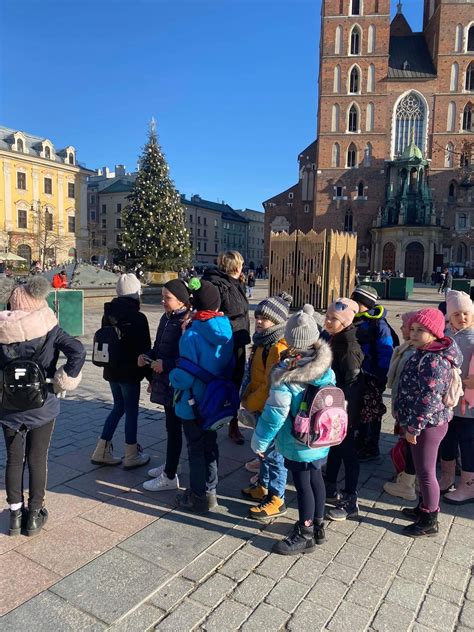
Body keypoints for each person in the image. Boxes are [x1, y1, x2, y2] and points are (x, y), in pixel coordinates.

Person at [0, 276, 85, 536]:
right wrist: (62, 378)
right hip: (43, 405)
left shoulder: (2, 328)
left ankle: (15, 515)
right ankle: (35, 515)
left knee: (14, 461)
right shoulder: (50, 328)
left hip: (9, 408)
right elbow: (78, 351)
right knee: (38, 459)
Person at [251, 304, 336, 555]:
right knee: (316, 479)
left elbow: (275, 415)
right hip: (322, 437)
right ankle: (319, 526)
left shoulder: (286, 373)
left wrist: (260, 443)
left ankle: (305, 532)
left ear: (288, 338)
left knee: (302, 485)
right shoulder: (325, 366)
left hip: (298, 440)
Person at [394, 308, 462, 537]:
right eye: (412, 329)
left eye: (420, 330)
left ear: (433, 333)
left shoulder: (434, 361)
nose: (413, 334)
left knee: (425, 471)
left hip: (428, 425)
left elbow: (429, 400)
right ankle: (422, 507)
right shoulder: (422, 352)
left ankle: (430, 518)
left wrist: (414, 427)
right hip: (420, 422)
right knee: (422, 467)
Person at [170, 278, 234, 514]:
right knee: (211, 446)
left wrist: (171, 377)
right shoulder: (226, 330)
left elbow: (185, 376)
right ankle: (211, 491)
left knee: (195, 449)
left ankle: (196, 497)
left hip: (194, 403)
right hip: (216, 400)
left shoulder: (191, 335)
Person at [91, 273, 151, 469]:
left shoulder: (107, 315)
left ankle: (101, 449)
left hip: (111, 371)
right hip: (130, 373)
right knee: (131, 411)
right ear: (136, 293)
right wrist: (152, 377)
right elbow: (145, 348)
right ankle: (131, 454)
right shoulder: (138, 317)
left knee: (118, 407)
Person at [240, 293, 291, 520]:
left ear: (278, 322)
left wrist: (250, 401)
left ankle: (277, 498)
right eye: (258, 316)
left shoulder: (277, 347)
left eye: (265, 318)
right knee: (263, 452)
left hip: (269, 408)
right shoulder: (263, 342)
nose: (259, 321)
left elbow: (271, 385)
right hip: (260, 405)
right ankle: (263, 485)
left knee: (274, 455)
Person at [139, 279, 191, 492]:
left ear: (181, 301)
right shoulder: (167, 318)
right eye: (162, 296)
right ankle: (171, 464)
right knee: (171, 427)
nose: (163, 301)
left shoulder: (186, 322)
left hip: (177, 383)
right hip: (166, 381)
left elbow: (187, 357)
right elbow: (158, 347)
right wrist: (148, 357)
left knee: (175, 427)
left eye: (167, 298)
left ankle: (170, 475)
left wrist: (166, 364)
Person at [322, 298, 364, 522]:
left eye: (334, 319)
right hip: (333, 406)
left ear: (346, 322)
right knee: (334, 448)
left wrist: (344, 413)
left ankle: (350, 499)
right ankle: (330, 484)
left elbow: (352, 385)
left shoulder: (349, 347)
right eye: (327, 317)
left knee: (348, 452)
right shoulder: (334, 338)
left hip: (344, 410)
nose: (328, 321)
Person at [203, 251, 250, 445]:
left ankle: (232, 423)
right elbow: (215, 314)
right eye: (241, 265)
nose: (242, 269)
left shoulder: (236, 284)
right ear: (235, 266)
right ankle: (217, 419)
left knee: (236, 383)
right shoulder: (218, 285)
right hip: (226, 342)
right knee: (223, 382)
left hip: (238, 340)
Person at [351, 285, 394, 461]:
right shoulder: (353, 318)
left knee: (371, 412)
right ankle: (359, 441)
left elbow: (386, 352)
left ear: (365, 304)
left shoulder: (378, 324)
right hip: (356, 375)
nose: (352, 304)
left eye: (356, 301)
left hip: (372, 376)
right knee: (358, 410)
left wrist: (380, 377)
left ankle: (371, 446)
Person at [441, 291, 474, 505]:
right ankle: (446, 478)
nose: (461, 318)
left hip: (468, 404)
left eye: (466, 313)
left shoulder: (472, 338)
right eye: (456, 314)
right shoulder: (446, 335)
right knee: (447, 439)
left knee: (468, 443)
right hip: (448, 401)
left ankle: (468, 486)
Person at [383, 311, 418, 501]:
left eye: (406, 325)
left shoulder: (410, 353)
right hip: (405, 408)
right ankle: (409, 477)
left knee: (410, 445)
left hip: (408, 410)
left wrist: (397, 407)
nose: (403, 328)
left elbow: (401, 385)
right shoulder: (406, 348)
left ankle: (408, 480)